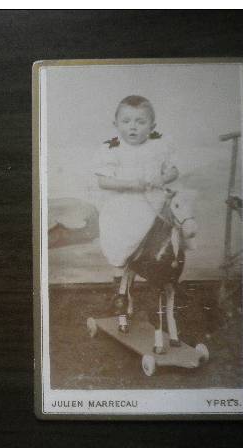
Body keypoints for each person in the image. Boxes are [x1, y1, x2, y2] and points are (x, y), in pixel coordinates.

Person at [95, 95, 179, 326]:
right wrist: (131, 184)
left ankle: (158, 293)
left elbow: (173, 171)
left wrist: (161, 178)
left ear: (152, 127)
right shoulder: (111, 148)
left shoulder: (158, 145)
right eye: (127, 121)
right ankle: (121, 292)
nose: (133, 126)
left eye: (140, 122)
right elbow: (103, 181)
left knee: (165, 240)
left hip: (153, 204)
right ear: (116, 124)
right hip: (123, 207)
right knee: (122, 244)